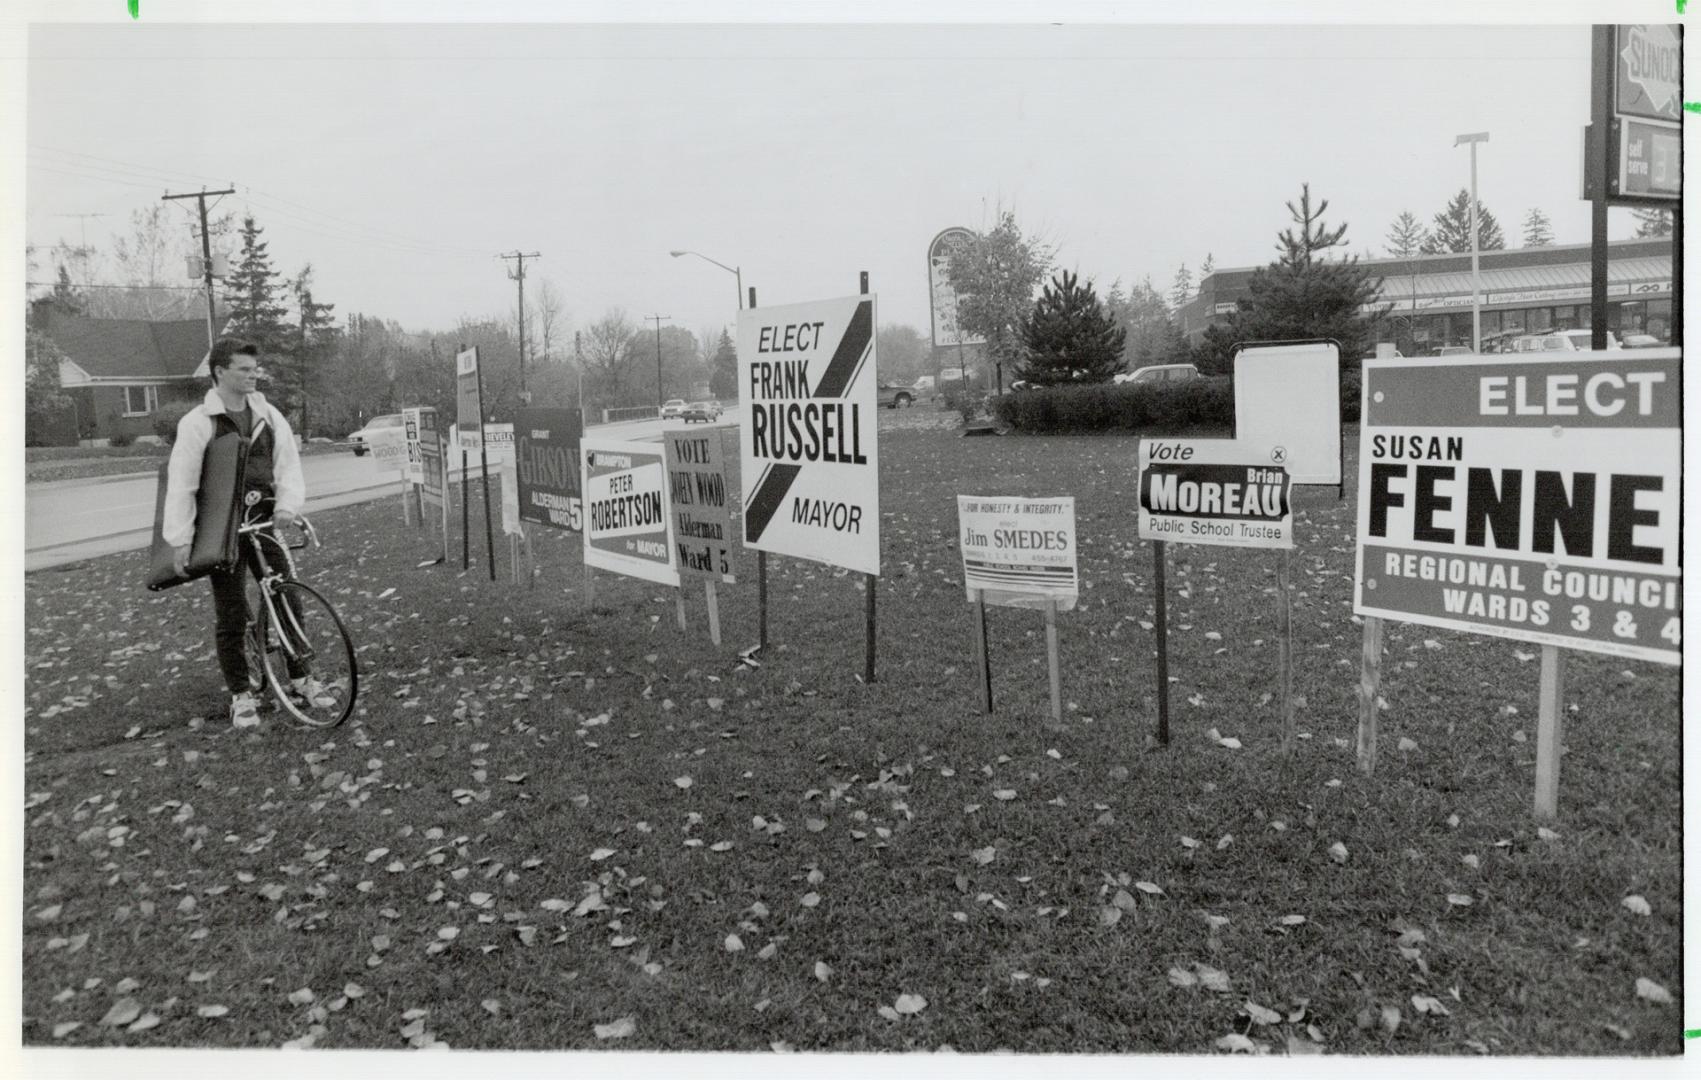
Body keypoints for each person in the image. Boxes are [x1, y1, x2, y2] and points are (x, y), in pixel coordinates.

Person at [164, 338, 332, 727]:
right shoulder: (198, 423)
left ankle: (303, 677)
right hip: (222, 528)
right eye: (244, 369)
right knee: (232, 613)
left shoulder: (268, 415)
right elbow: (182, 484)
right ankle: (242, 694)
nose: (253, 375)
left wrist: (288, 505)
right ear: (220, 371)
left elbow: (287, 463)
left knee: (287, 596)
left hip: (264, 521)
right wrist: (181, 539)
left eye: (255, 369)